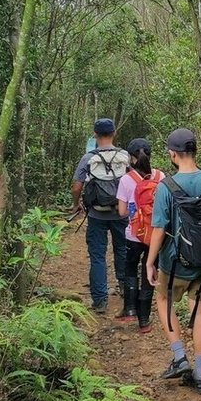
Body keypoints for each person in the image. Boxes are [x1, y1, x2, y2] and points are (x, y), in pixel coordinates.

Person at [146, 128, 201, 395]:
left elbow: (159, 228)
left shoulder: (167, 186)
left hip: (174, 260)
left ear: (172, 154)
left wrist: (150, 261)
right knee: (200, 308)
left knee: (162, 300)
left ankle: (180, 357)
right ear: (195, 150)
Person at [71, 118, 129, 313]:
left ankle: (100, 300)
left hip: (96, 214)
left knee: (97, 256)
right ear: (114, 133)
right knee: (122, 251)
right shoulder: (125, 156)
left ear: (95, 135)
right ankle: (125, 290)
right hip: (121, 214)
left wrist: (76, 204)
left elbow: (77, 185)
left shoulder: (88, 157)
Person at [116, 138, 164, 331]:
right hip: (156, 235)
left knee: (130, 268)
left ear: (131, 158)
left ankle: (129, 310)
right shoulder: (161, 176)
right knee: (149, 272)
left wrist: (135, 211)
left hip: (134, 234)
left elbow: (121, 212)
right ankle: (144, 320)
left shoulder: (126, 180)